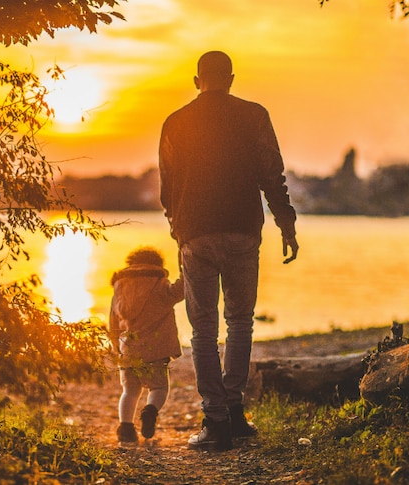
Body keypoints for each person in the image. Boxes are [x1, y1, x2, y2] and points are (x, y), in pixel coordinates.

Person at [158, 50, 299, 451]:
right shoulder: (254, 115)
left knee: (203, 330)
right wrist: (285, 223)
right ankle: (235, 412)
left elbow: (167, 187)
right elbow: (272, 173)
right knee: (240, 322)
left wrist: (177, 229)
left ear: (196, 80)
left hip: (196, 235)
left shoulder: (175, 121)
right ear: (231, 79)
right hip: (241, 230)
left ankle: (215, 420)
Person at [108, 246, 185, 446]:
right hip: (155, 350)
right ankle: (150, 411)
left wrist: (116, 346)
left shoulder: (120, 287)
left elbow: (113, 321)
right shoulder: (160, 284)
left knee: (130, 391)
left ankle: (126, 428)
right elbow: (181, 290)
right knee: (159, 387)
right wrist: (185, 265)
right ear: (157, 265)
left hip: (128, 350)